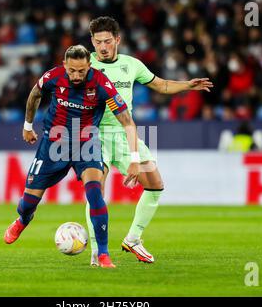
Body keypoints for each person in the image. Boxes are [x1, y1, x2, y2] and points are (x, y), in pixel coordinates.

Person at [86, 16, 214, 265]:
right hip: (93, 134)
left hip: (125, 133)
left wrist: (187, 85)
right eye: (98, 41)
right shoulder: (83, 64)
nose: (103, 46)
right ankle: (97, 251)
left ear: (118, 40)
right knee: (95, 190)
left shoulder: (132, 65)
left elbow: (162, 86)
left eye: (107, 41)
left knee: (155, 184)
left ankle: (133, 238)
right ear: (92, 41)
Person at [3, 45, 141, 269]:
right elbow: (35, 94)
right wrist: (27, 126)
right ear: (65, 65)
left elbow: (127, 120)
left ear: (89, 66)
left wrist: (134, 159)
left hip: (86, 143)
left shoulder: (101, 84)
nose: (76, 76)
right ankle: (22, 220)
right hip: (53, 144)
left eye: (81, 71)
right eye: (72, 71)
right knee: (28, 203)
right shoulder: (54, 76)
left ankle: (103, 254)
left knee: (95, 193)